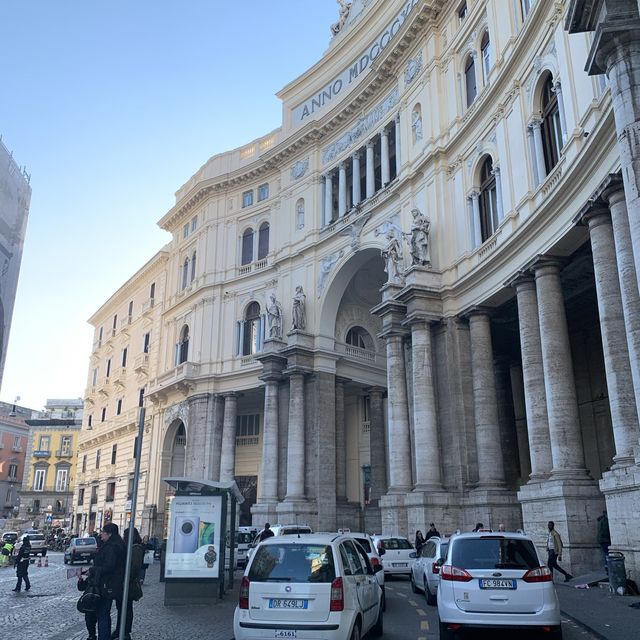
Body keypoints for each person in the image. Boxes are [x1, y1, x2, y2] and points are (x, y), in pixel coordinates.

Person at [92, 522, 126, 640]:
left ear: (109, 534)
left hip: (107, 584)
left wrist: (93, 570)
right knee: (104, 612)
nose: (101, 534)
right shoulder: (115, 544)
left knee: (102, 613)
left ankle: (103, 637)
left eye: (103, 532)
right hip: (110, 583)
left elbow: (109, 566)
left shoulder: (112, 547)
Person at [112, 527, 144, 640]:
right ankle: (120, 628)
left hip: (128, 584)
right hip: (123, 582)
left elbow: (134, 567)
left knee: (126, 607)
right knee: (121, 607)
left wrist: (126, 579)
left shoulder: (136, 548)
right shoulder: (130, 547)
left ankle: (125, 631)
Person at [78, 572, 98, 640]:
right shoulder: (90, 577)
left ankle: (101, 635)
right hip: (90, 601)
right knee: (89, 619)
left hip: (100, 599)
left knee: (102, 618)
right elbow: (81, 587)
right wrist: (80, 580)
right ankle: (91, 635)